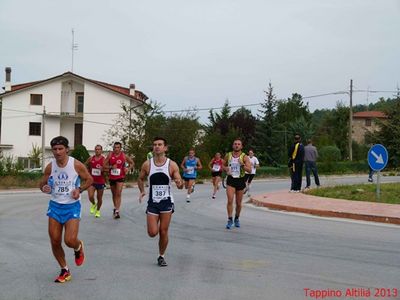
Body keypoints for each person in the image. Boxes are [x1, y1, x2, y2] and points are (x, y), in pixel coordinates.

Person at [39, 136, 93, 283]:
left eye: (60, 149)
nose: (57, 152)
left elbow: (89, 179)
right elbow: (42, 184)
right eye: (55, 149)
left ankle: (78, 247)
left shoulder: (76, 165)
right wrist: (45, 187)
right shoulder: (50, 167)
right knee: (55, 241)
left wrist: (79, 189)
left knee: (69, 240)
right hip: (55, 206)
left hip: (72, 206)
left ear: (67, 150)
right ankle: (65, 269)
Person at [138, 137, 183, 267]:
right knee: (152, 233)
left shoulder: (171, 164)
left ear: (165, 148)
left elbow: (179, 181)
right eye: (155, 145)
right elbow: (140, 178)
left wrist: (179, 184)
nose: (157, 147)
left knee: (163, 231)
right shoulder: (147, 164)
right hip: (152, 202)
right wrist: (141, 191)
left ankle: (161, 256)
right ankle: (157, 233)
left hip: (166, 202)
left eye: (160, 144)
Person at [223, 138, 251, 229]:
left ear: (241, 146)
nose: (237, 145)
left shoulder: (244, 157)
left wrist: (242, 164)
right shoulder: (228, 155)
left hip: (240, 180)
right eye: (235, 144)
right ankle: (230, 219)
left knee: (238, 203)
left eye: (239, 144)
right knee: (230, 200)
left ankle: (237, 218)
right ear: (233, 145)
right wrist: (226, 169)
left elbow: (249, 170)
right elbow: (223, 165)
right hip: (231, 180)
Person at [104, 142, 134, 219]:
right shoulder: (110, 155)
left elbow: (132, 163)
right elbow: (104, 165)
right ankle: (115, 207)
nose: (116, 149)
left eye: (118, 147)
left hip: (120, 177)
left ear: (120, 148)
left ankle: (117, 211)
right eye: (115, 147)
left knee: (118, 193)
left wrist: (128, 168)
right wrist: (111, 167)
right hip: (112, 177)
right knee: (114, 194)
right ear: (113, 148)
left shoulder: (124, 155)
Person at [84, 145, 106, 218]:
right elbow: (85, 165)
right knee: (90, 196)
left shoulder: (104, 160)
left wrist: (104, 170)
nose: (97, 151)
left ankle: (98, 210)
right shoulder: (91, 158)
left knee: (99, 198)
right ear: (94, 150)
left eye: (99, 149)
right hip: (92, 181)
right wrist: (87, 172)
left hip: (100, 181)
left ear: (101, 150)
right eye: (96, 149)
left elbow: (108, 169)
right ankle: (93, 204)